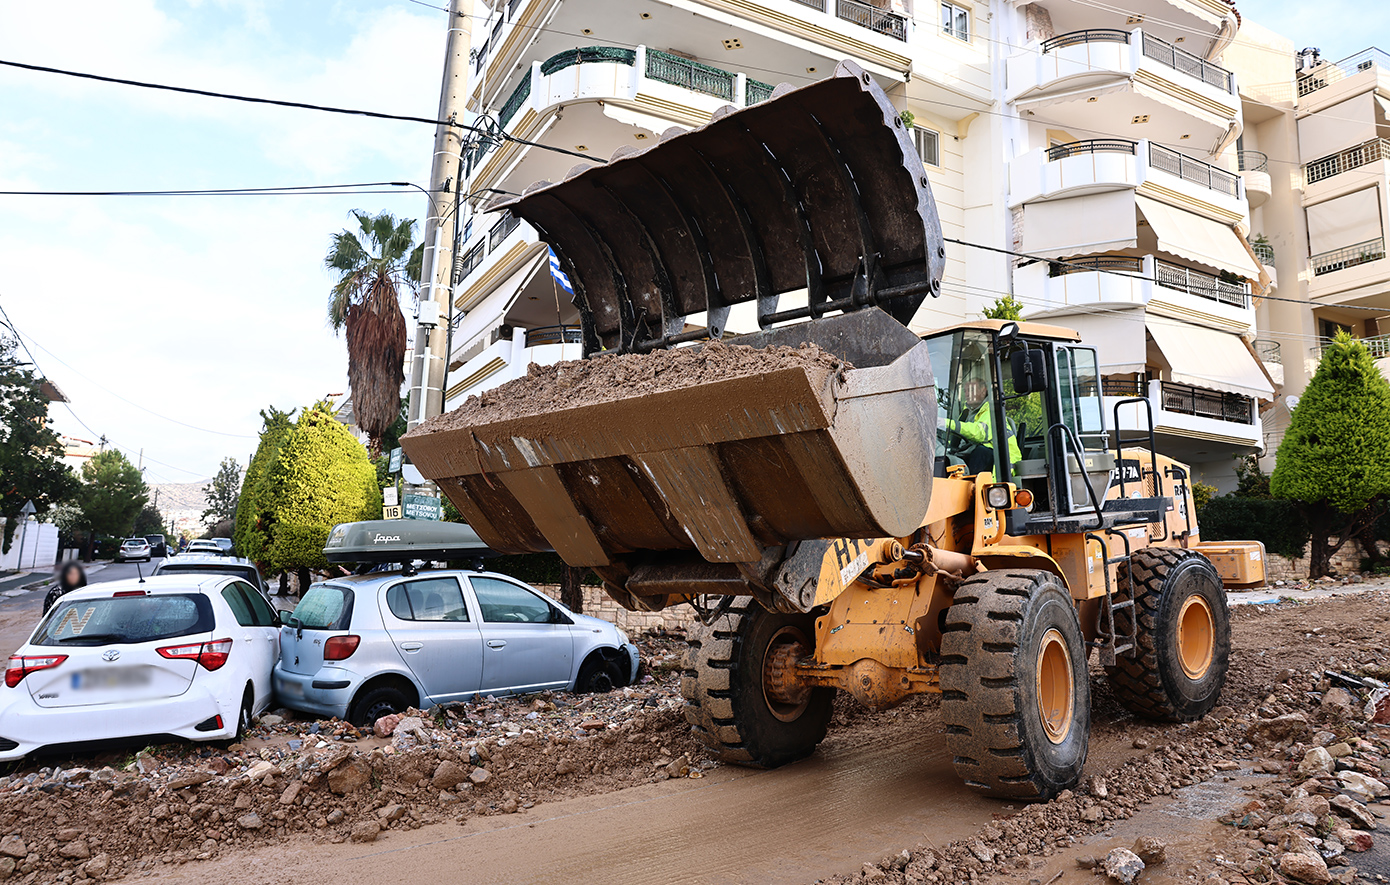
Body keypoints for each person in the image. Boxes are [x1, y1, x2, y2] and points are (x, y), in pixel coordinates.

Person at [942, 374, 1022, 473]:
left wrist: (946, 423)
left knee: (981, 452)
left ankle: (971, 485)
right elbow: (957, 440)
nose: (967, 394)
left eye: (971, 390)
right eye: (965, 391)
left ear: (983, 391)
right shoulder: (966, 414)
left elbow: (979, 433)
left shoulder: (992, 410)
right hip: (976, 457)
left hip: (1002, 463)